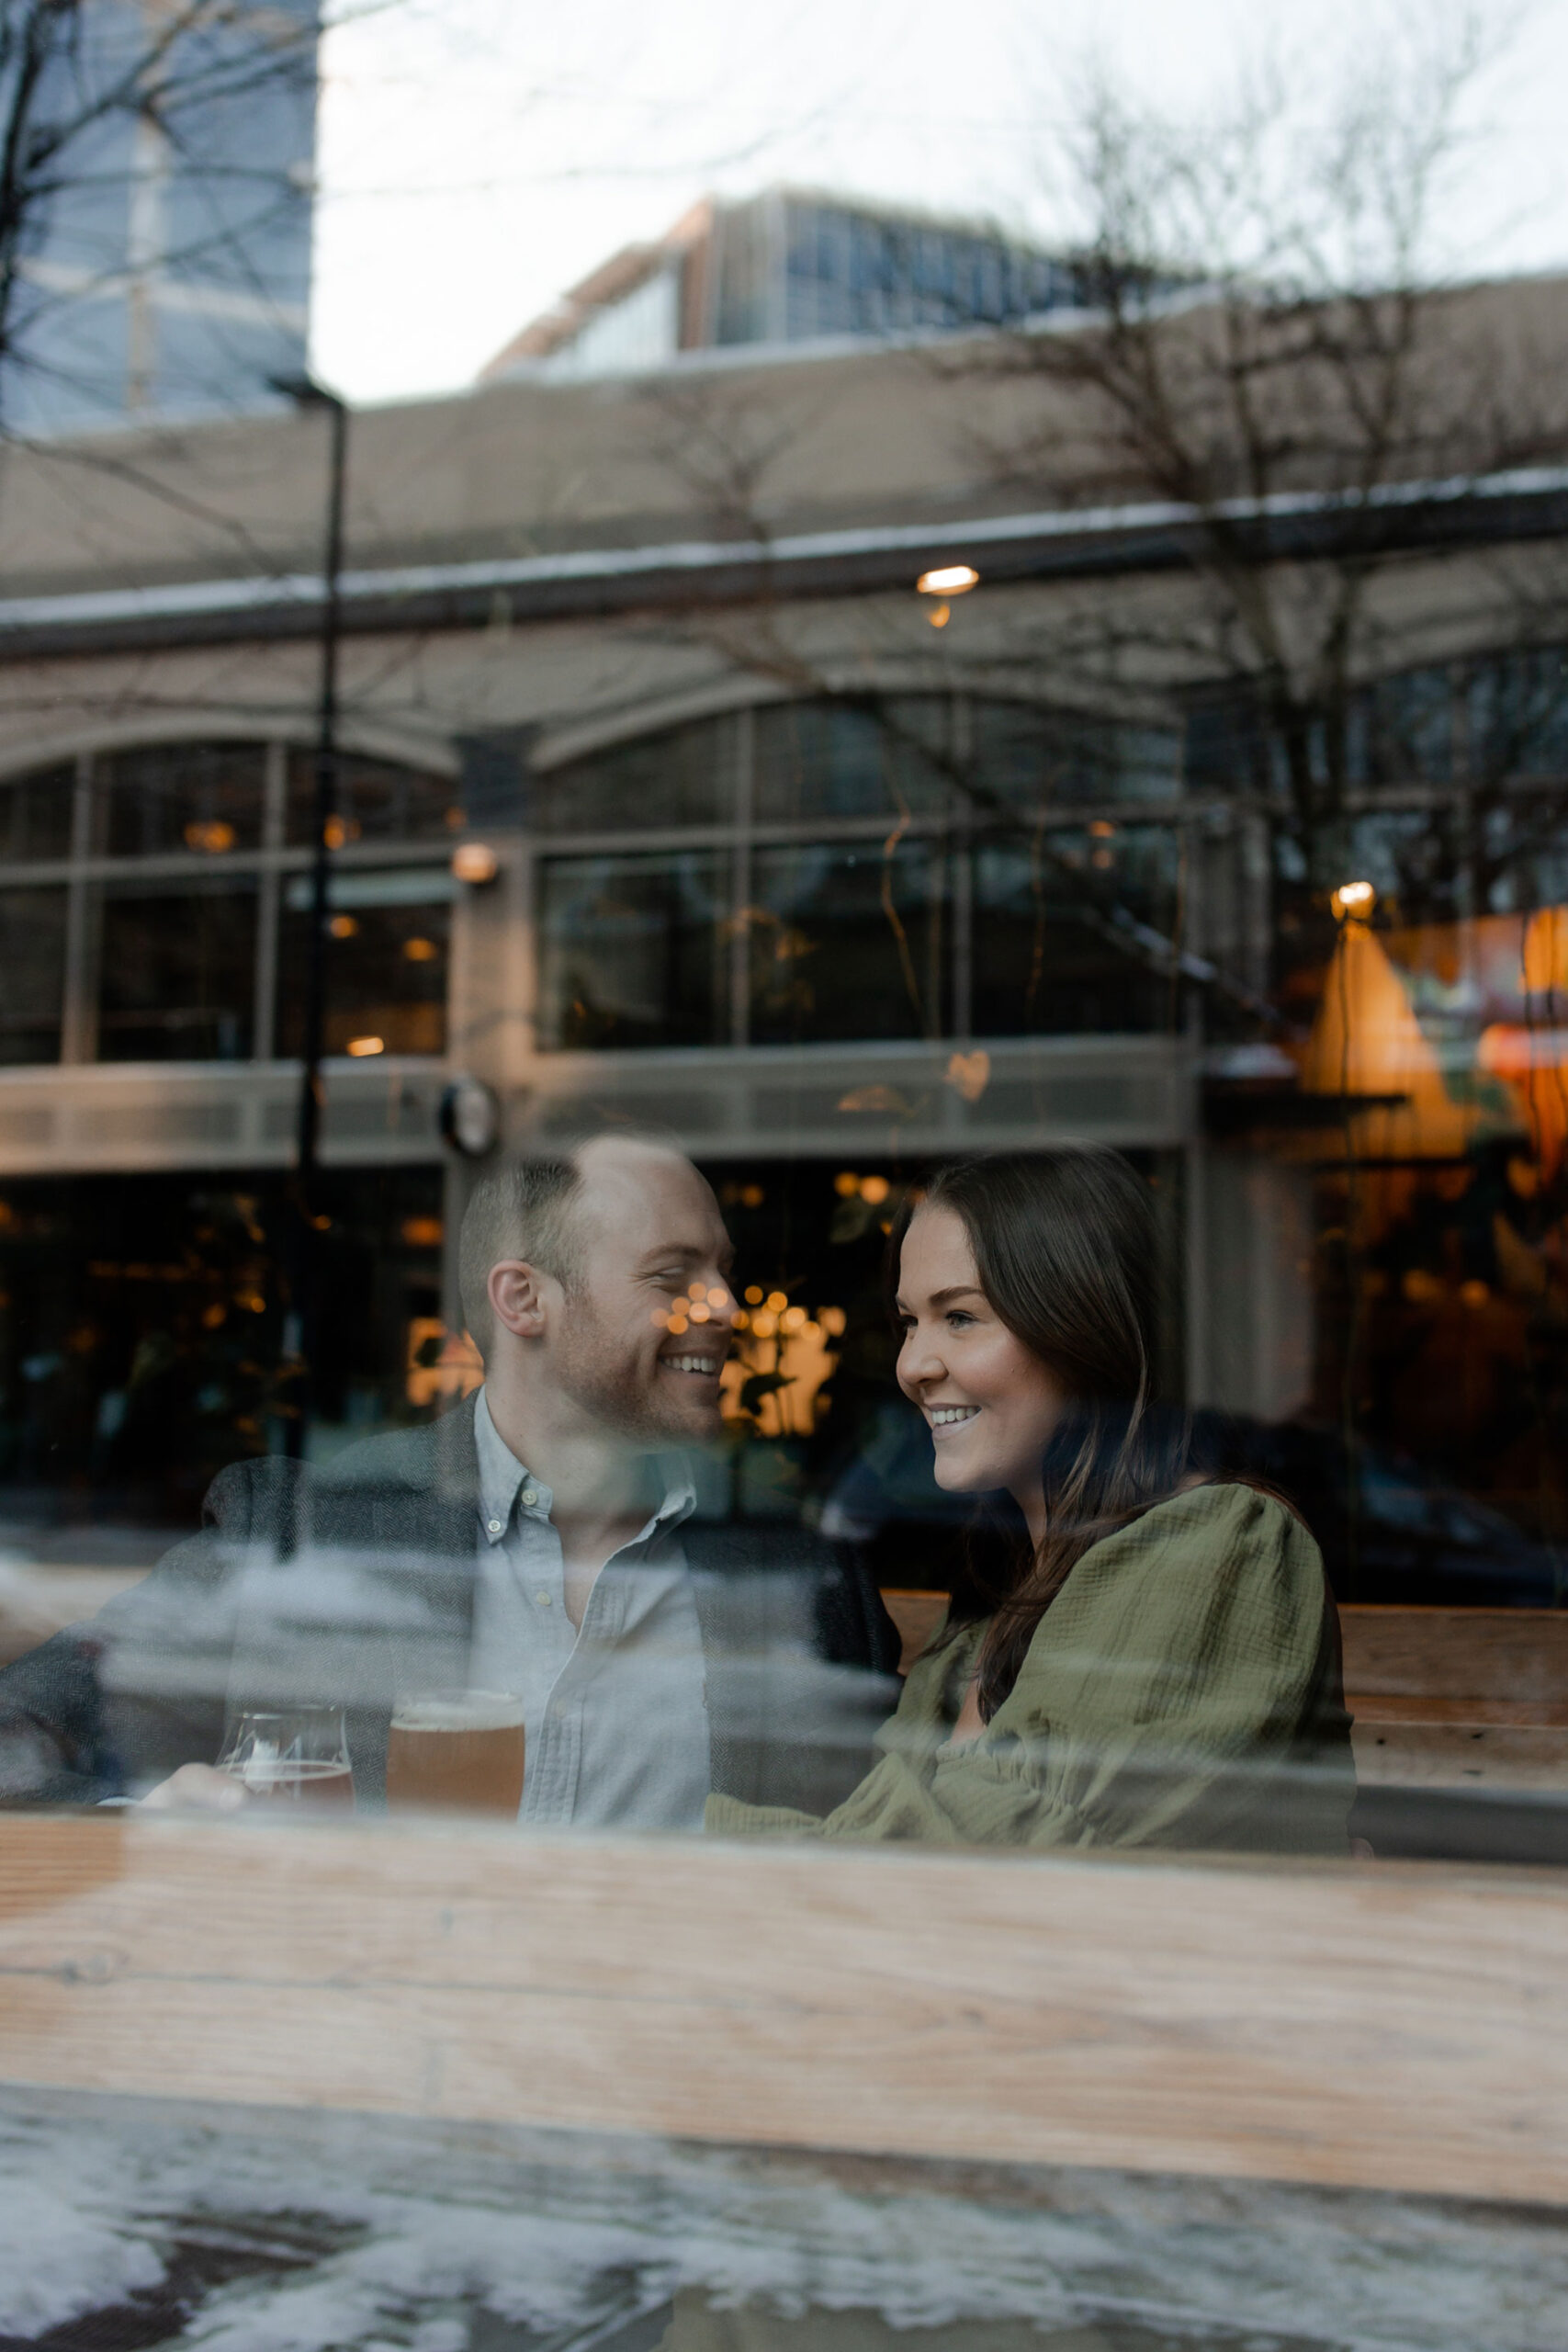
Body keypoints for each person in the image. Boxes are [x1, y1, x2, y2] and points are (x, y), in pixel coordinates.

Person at [0, 1135, 898, 1819]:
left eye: (725, 1272)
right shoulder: (301, 1525)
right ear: (523, 1299)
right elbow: (21, 1739)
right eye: (675, 1275)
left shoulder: (805, 1567)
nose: (729, 1308)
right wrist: (146, 1817)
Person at [707, 1148, 1355, 1855]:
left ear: (1081, 1323)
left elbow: (987, 1857)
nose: (912, 1366)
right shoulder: (991, 1612)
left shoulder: (1220, 1546)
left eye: (959, 1317)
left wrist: (622, 1816)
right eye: (908, 1323)